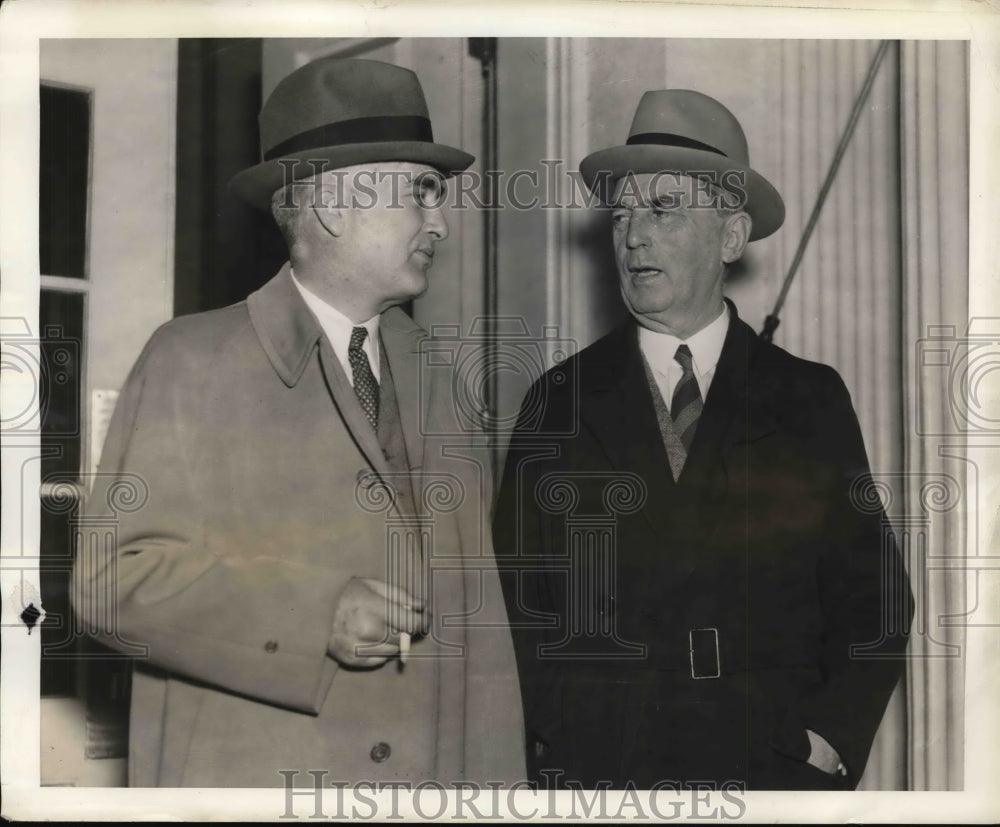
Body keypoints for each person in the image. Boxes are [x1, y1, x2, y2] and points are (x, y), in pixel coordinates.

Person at [72, 57, 524, 787]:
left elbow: (485, 642)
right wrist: (315, 615)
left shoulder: (440, 378)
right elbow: (108, 582)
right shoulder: (191, 360)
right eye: (421, 192)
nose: (440, 219)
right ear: (334, 205)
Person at [494, 89, 913, 791]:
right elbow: (515, 603)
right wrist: (553, 739)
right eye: (622, 214)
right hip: (606, 774)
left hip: (769, 771)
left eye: (663, 209)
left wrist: (826, 739)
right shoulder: (559, 400)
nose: (633, 236)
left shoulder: (808, 398)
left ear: (729, 236)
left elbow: (876, 600)